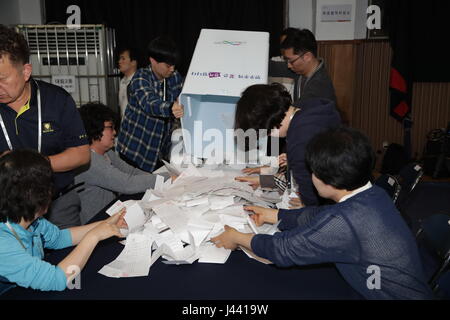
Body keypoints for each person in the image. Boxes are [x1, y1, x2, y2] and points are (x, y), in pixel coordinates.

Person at [212, 127, 434, 300]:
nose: (311, 176)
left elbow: (283, 250)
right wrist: (276, 216)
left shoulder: (345, 221)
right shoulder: (372, 194)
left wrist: (237, 238)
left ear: (329, 180)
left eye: (314, 172)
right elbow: (322, 215)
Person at [0, 150, 127, 295]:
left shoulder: (30, 220)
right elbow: (56, 280)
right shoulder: (3, 244)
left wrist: (106, 224)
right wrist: (94, 236)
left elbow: (60, 238)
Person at [0, 24, 90, 228]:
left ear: (25, 71)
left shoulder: (57, 100)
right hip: (6, 211)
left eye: (2, 79)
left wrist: (31, 165)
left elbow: (81, 154)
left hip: (57, 204)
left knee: (68, 258)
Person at [234, 83, 341, 206]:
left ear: (268, 121)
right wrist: (264, 180)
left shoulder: (300, 138)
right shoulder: (308, 111)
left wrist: (298, 210)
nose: (268, 136)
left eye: (265, 133)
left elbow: (312, 207)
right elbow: (294, 179)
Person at [75, 103, 170, 224]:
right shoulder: (90, 161)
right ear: (95, 129)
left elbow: (131, 172)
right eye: (110, 127)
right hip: (96, 224)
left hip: (110, 217)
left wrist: (161, 179)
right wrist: (168, 178)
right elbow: (127, 184)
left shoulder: (106, 153)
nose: (114, 132)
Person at [117, 36, 184, 173]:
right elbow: (150, 103)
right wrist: (171, 108)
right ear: (153, 61)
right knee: (134, 192)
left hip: (159, 153)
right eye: (167, 65)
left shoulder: (174, 77)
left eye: (174, 64)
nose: (172, 69)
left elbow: (186, 95)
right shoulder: (141, 77)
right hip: (134, 150)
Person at [270, 28, 336, 106]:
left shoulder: (319, 86)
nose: (288, 65)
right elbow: (273, 67)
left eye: (291, 61)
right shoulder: (302, 69)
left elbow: (299, 112)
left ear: (307, 57)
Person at [117, 47, 138, 120]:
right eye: (119, 59)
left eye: (123, 59)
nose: (119, 62)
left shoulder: (138, 82)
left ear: (133, 62)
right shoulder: (122, 81)